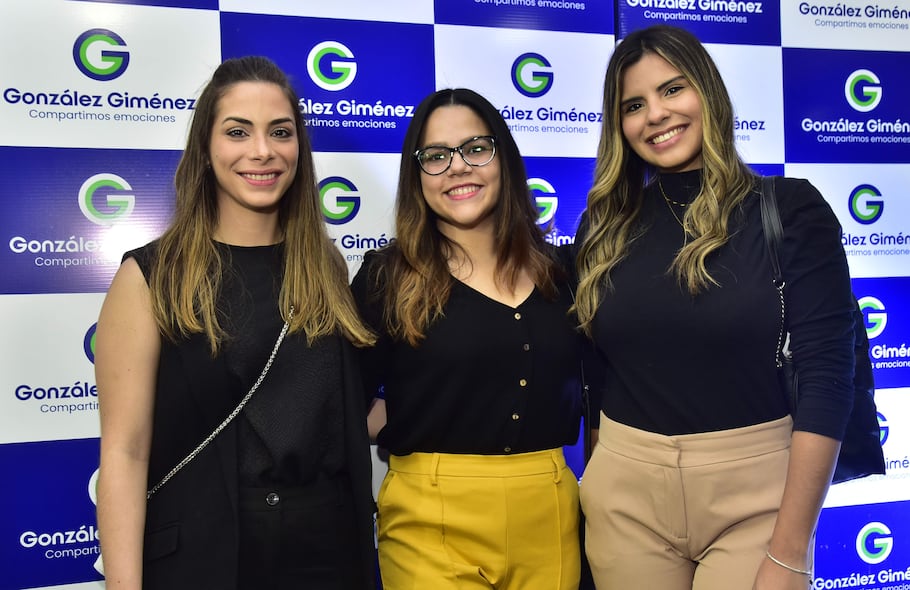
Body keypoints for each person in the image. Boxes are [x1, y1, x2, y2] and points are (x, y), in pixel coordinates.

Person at [573, 25, 855, 590]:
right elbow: (599, 378)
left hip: (757, 495)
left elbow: (827, 377)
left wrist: (790, 550)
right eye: (633, 105)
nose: (655, 114)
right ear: (619, 124)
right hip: (626, 494)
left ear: (709, 94)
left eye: (672, 90)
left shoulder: (790, 209)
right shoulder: (602, 228)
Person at [94, 56, 377, 590]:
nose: (262, 151)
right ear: (206, 147)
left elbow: (338, 416)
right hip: (205, 554)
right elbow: (124, 452)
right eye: (237, 132)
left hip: (327, 553)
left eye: (280, 132)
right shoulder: (151, 276)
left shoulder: (326, 268)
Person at [351, 87, 593, 590]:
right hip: (428, 515)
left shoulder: (562, 273)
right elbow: (340, 404)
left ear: (502, 158)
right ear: (416, 176)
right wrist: (417, 417)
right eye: (436, 156)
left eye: (475, 149)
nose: (458, 167)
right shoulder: (386, 277)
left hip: (549, 509)